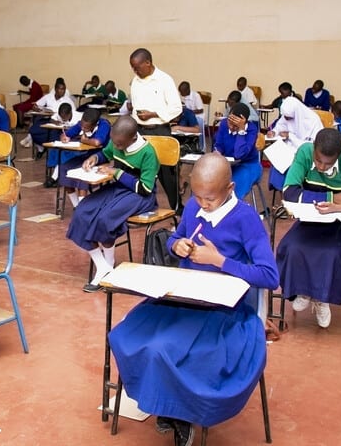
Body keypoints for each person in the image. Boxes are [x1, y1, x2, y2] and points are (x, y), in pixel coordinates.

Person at [109, 154, 278, 446]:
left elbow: (269, 275)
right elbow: (177, 238)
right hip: (184, 299)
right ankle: (166, 404)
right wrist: (178, 245)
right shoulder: (193, 207)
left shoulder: (246, 219)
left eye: (210, 198)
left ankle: (182, 415)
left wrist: (220, 260)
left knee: (167, 347)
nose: (202, 204)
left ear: (230, 188)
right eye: (197, 196)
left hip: (223, 311)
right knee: (128, 333)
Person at [275, 128, 341, 328]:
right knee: (292, 247)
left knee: (330, 253)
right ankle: (302, 290)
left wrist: (340, 207)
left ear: (339, 155)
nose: (320, 166)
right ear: (314, 150)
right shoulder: (304, 152)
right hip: (312, 219)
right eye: (318, 160)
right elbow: (290, 193)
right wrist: (331, 198)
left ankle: (321, 298)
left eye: (328, 163)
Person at [67, 116, 159, 292]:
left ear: (132, 138)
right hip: (119, 188)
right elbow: (106, 153)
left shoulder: (148, 153)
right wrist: (95, 157)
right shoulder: (117, 141)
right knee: (82, 210)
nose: (116, 147)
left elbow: (145, 188)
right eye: (114, 142)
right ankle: (103, 266)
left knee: (105, 218)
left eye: (119, 144)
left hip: (140, 195)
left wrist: (116, 172)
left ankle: (108, 263)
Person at [128, 48, 182, 212]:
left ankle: (177, 207)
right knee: (138, 170)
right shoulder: (136, 81)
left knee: (167, 173)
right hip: (140, 131)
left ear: (148, 63)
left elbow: (176, 108)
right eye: (132, 67)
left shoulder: (165, 80)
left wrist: (153, 114)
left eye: (137, 67)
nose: (135, 71)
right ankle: (140, 206)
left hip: (159, 130)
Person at [54, 108, 111, 204]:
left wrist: (84, 140)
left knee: (82, 172)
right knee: (64, 168)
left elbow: (97, 142)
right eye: (82, 126)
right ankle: (76, 205)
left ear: (95, 124)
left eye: (86, 128)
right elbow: (66, 134)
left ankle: (82, 206)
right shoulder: (82, 123)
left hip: (102, 155)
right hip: (87, 154)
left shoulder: (104, 125)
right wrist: (64, 137)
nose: (83, 129)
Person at [268, 97, 323, 191]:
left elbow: (313, 145)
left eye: (289, 118)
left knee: (290, 165)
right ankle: (282, 194)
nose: (286, 119)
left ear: (297, 114)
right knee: (277, 161)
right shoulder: (286, 115)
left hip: (304, 153)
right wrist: (274, 132)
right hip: (287, 150)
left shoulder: (313, 120)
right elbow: (280, 126)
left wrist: (290, 136)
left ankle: (289, 193)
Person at [213, 103, 261, 200]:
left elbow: (239, 154)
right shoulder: (223, 124)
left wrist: (241, 131)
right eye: (229, 122)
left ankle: (230, 210)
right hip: (228, 164)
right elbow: (219, 145)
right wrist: (217, 152)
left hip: (248, 165)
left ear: (244, 123)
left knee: (235, 188)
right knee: (211, 181)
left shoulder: (251, 129)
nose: (231, 127)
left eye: (235, 126)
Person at [21, 79, 75, 156]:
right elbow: (36, 105)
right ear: (55, 89)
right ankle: (42, 147)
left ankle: (49, 150)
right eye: (60, 89)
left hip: (59, 123)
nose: (62, 91)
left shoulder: (68, 101)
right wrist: (37, 108)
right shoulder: (48, 97)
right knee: (33, 131)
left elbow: (73, 114)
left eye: (63, 89)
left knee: (52, 136)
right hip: (46, 119)